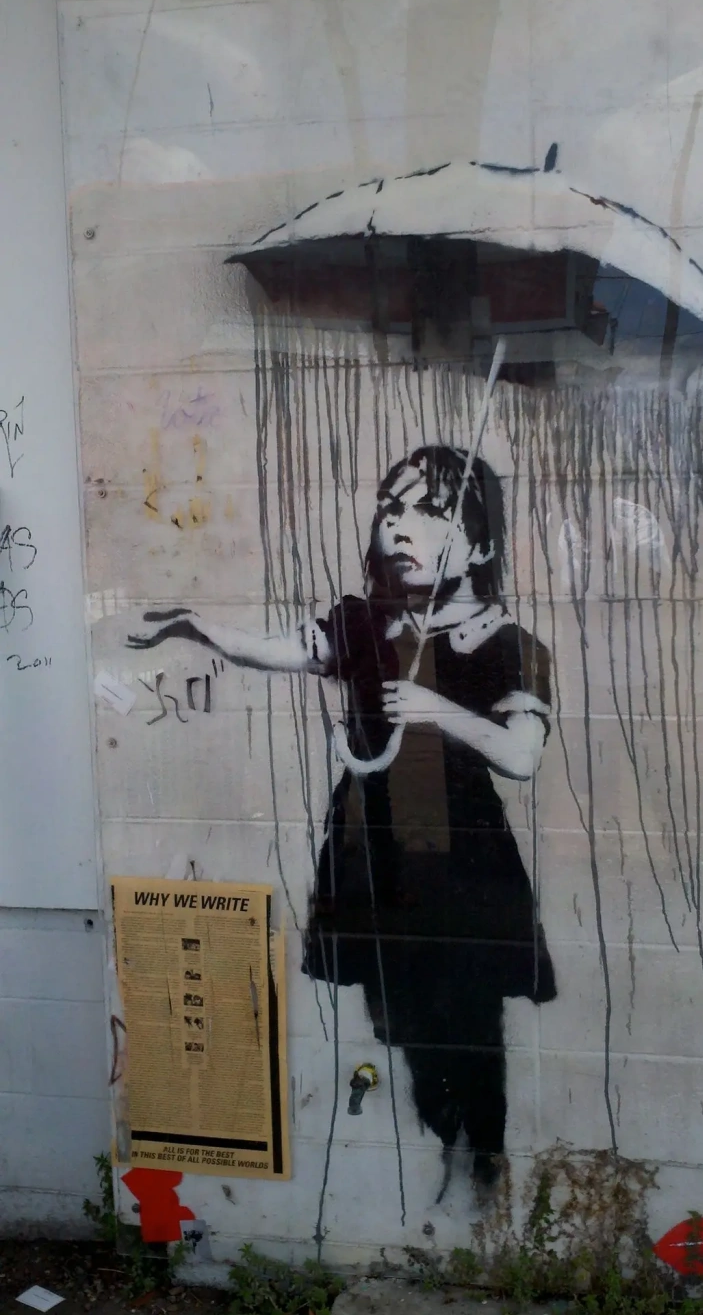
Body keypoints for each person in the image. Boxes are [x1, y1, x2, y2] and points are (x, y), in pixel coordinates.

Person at [129, 444, 555, 1192]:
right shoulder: (363, 625)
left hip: (465, 872)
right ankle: (443, 1158)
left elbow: (521, 755)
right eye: (392, 508)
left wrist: (434, 710)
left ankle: (477, 1162)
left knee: (469, 1025)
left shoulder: (508, 644)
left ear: (480, 544)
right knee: (402, 1020)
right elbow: (276, 652)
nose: (400, 525)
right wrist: (198, 627)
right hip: (373, 860)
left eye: (430, 510)